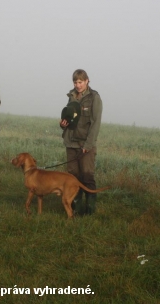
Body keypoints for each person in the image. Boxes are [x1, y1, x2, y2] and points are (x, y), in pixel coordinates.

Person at [60, 69, 103, 216]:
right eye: (75, 82)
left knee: (87, 176)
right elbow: (69, 118)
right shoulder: (71, 96)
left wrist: (88, 145)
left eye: (80, 82)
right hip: (71, 144)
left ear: (87, 81)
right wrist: (63, 124)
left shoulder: (94, 98)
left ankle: (90, 211)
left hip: (86, 145)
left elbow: (95, 123)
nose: (78, 85)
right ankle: (75, 210)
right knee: (73, 177)